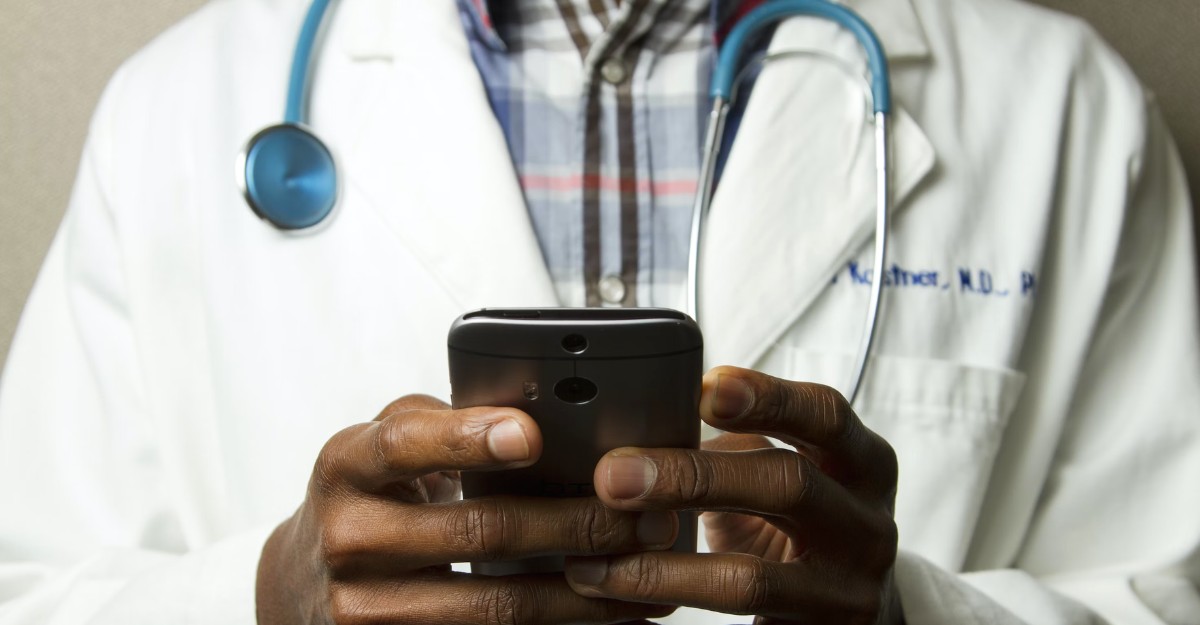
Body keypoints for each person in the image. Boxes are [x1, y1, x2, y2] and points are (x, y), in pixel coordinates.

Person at [1, 0, 1197, 623]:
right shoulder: (174, 109)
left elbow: (1167, 594)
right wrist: (263, 604)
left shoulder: (1066, 111)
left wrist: (906, 615)